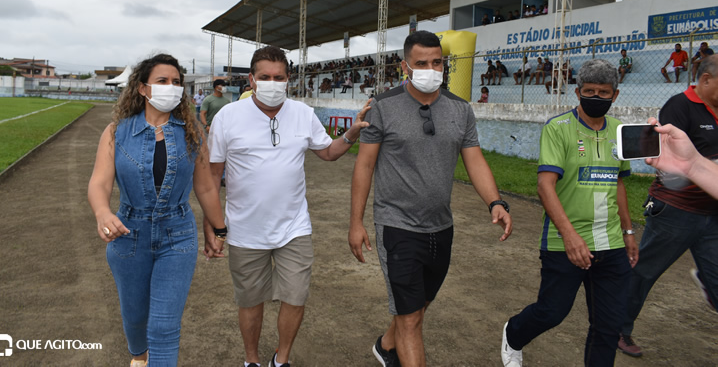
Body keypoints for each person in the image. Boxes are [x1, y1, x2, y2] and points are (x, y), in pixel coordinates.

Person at [350, 31, 512, 367]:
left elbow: (475, 159)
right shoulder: (382, 107)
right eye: (421, 63)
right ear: (405, 65)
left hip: (441, 226)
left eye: (437, 62)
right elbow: (364, 166)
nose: (430, 69)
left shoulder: (460, 110)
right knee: (410, 319)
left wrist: (496, 201)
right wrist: (356, 223)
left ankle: (385, 345)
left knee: (419, 306)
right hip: (396, 224)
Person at [205, 45, 372, 367]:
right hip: (244, 229)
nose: (272, 83)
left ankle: (281, 360)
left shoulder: (303, 113)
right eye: (264, 77)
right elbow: (212, 177)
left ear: (288, 80)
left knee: (295, 297)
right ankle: (251, 360)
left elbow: (327, 152)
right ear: (251, 80)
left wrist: (351, 133)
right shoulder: (228, 116)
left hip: (294, 228)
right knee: (250, 301)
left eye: (278, 77)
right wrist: (211, 226)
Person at [87, 54, 227, 367]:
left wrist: (219, 229)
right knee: (135, 318)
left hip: (177, 237)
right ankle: (138, 358)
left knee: (164, 326)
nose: (171, 87)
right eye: (162, 81)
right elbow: (99, 182)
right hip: (128, 236)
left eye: (177, 82)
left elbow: (205, 187)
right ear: (142, 88)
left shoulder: (193, 133)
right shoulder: (115, 132)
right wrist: (102, 213)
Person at [502, 59, 638, 367]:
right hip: (565, 241)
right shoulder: (558, 128)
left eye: (604, 92)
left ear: (615, 96)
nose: (596, 97)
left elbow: (618, 184)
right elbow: (545, 186)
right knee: (553, 312)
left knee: (607, 326)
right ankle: (514, 333)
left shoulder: (620, 131)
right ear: (577, 92)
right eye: (589, 90)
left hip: (612, 243)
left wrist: (629, 232)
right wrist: (571, 236)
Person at [618, 54, 718, 358]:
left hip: (712, 213)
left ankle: (707, 279)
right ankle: (618, 328)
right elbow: (668, 162)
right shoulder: (680, 105)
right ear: (706, 80)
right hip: (675, 210)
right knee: (645, 271)